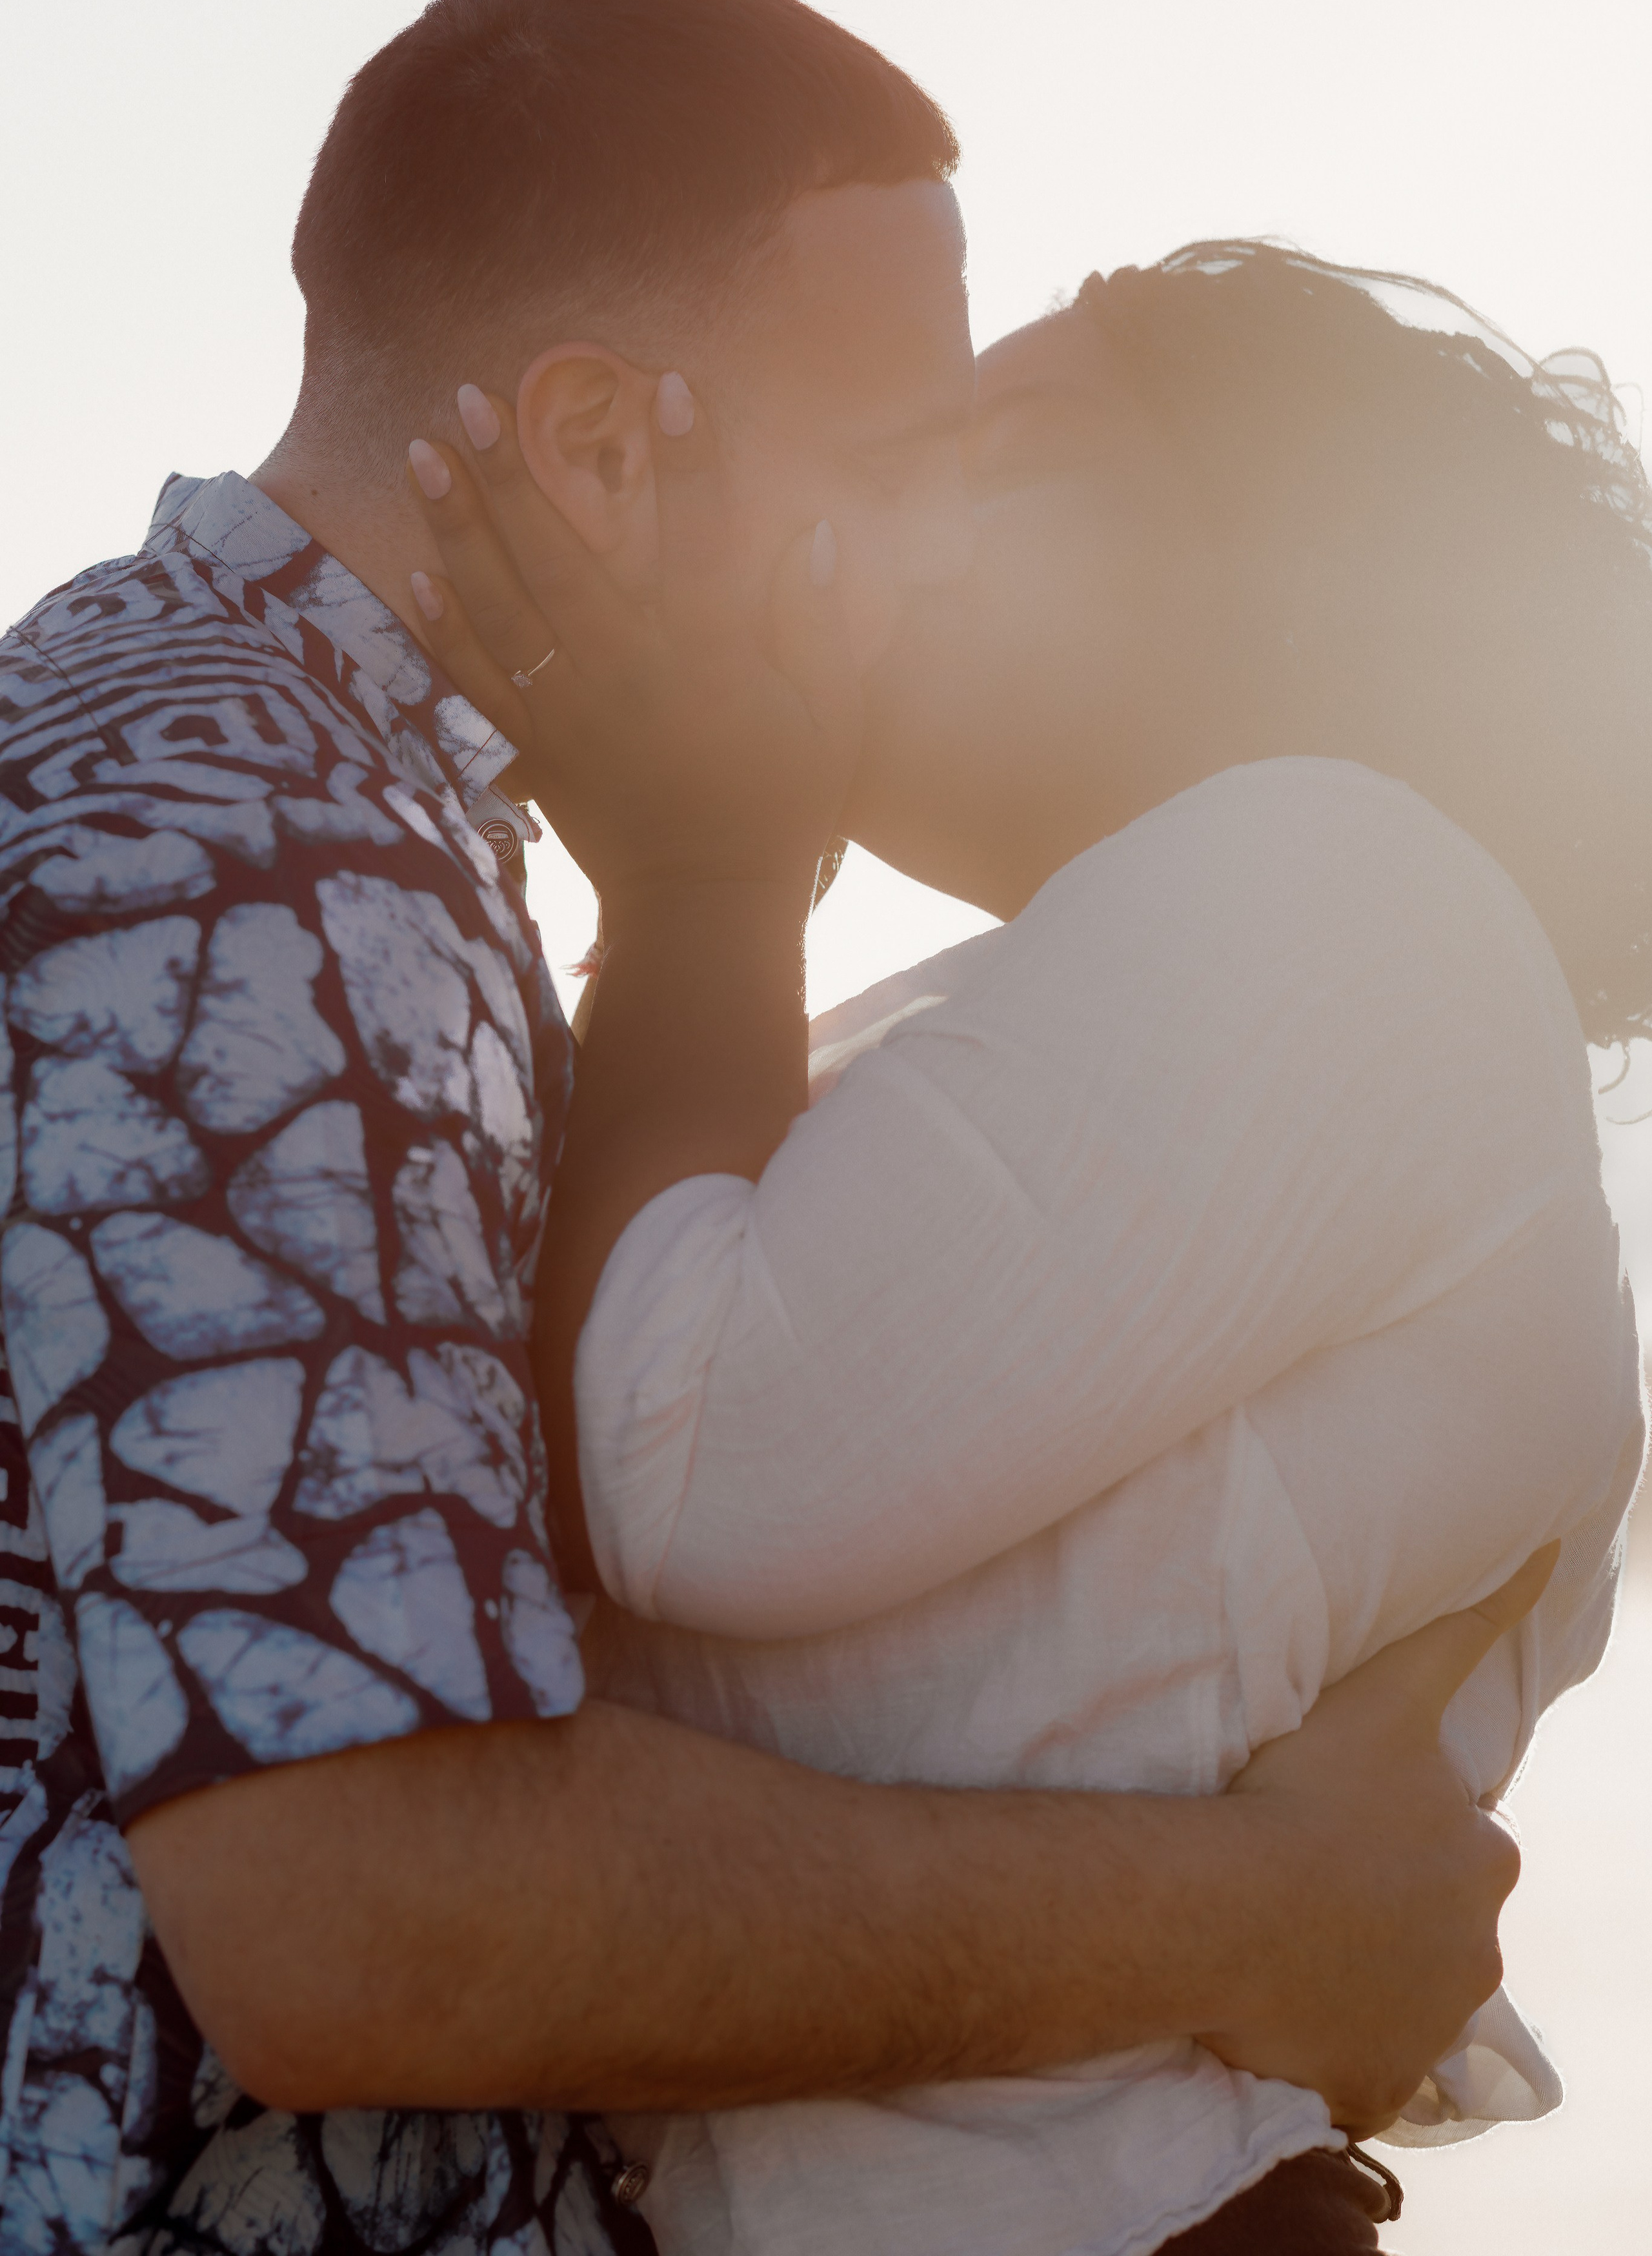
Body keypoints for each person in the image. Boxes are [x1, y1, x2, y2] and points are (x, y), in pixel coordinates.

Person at [1, 0, 1527, 2256]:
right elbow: (365, 1916)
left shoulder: (303, 820)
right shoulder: (265, 861)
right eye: (892, 458)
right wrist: (1261, 1925)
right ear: (606, 440)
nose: (906, 552)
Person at [403, 243, 1649, 2255]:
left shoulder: (1353, 896)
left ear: (1283, 563)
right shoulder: (1079, 1020)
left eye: (1002, 446)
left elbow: (684, 1456)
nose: (879, 507)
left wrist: (710, 858)